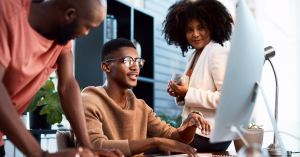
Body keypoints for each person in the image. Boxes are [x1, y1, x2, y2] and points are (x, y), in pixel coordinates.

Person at [0, 0, 123, 156]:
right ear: (69, 14)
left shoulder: (59, 35)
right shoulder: (7, 13)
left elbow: (67, 85)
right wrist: (40, 154)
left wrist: (87, 147)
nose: (85, 33)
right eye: (87, 27)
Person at [72, 38, 211, 157]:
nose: (135, 67)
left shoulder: (140, 107)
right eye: (127, 61)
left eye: (138, 61)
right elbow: (95, 146)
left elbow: (174, 139)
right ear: (107, 67)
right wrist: (155, 142)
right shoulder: (88, 100)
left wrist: (191, 123)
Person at [163, 0, 234, 151]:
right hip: (194, 130)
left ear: (212, 27)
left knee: (158, 148)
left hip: (212, 135)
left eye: (200, 28)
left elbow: (226, 100)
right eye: (189, 30)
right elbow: (192, 95)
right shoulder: (193, 56)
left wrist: (187, 92)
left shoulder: (218, 53)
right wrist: (179, 93)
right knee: (157, 145)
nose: (195, 34)